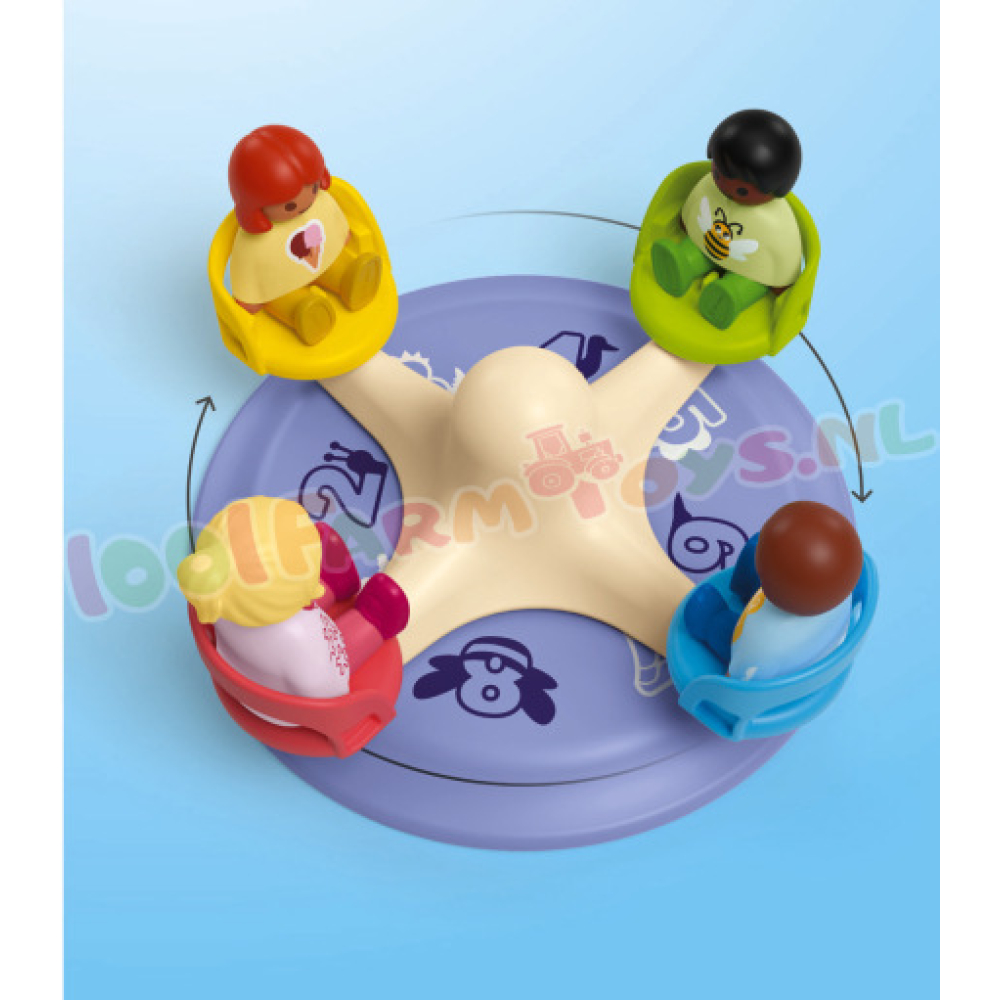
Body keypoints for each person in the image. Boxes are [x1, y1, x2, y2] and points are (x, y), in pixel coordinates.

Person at [178, 497, 408, 723]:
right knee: (335, 650)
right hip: (287, 707)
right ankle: (373, 619)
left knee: (281, 609)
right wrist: (335, 684)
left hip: (241, 669)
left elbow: (272, 605)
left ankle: (330, 584)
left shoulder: (216, 598)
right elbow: (323, 687)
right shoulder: (300, 636)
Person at [227, 125, 383, 345]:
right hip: (282, 287)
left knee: (337, 266)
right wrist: (250, 300)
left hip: (325, 261)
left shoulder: (320, 203)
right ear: (255, 206)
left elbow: (335, 223)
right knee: (287, 301)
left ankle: (349, 278)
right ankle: (305, 314)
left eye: (313, 189)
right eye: (289, 206)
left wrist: (344, 236)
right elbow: (248, 270)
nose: (307, 203)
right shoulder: (255, 243)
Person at [651, 110, 804, 330]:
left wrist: (782, 285)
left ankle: (729, 296)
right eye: (717, 174)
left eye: (742, 190)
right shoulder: (710, 186)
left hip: (751, 271)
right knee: (694, 250)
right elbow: (694, 206)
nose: (724, 188)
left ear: (776, 189)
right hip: (706, 246)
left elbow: (783, 256)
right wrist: (685, 224)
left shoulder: (776, 223)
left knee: (748, 284)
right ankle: (683, 264)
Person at [684, 501, 862, 681]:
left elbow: (740, 677)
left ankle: (712, 620)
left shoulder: (758, 640)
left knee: (710, 618)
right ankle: (747, 580)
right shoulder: (842, 582)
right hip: (818, 639)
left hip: (772, 661)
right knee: (759, 548)